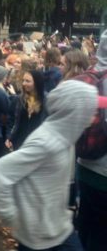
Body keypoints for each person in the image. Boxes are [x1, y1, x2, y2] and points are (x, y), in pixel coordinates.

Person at [0, 80, 104, 251]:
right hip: (36, 237)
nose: (95, 113)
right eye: (91, 109)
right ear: (76, 112)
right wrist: (12, 216)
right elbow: (0, 171)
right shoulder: (46, 142)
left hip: (61, 229)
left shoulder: (68, 137)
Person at [74, 31, 107, 251]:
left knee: (85, 223)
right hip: (104, 172)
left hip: (84, 162)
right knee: (101, 234)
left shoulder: (86, 76)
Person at [6, 70, 46, 150]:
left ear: (37, 82)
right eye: (23, 80)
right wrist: (9, 136)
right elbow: (11, 119)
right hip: (20, 143)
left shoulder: (46, 100)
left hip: (38, 144)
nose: (24, 83)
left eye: (27, 81)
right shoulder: (19, 99)